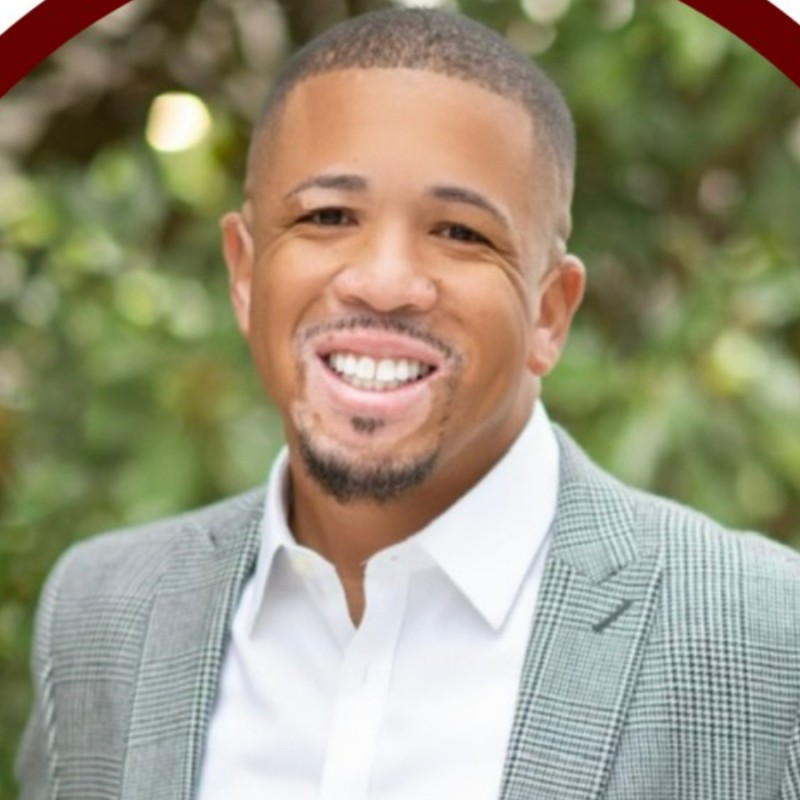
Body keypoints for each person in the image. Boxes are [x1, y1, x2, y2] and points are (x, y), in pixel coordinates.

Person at [16, 8, 800, 800]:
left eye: (459, 233)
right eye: (327, 216)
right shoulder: (100, 616)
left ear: (549, 314)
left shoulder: (768, 642)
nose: (385, 282)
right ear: (245, 275)